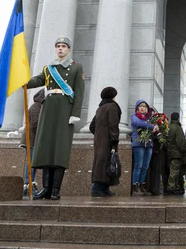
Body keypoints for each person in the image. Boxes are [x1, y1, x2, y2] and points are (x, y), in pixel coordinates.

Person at [27, 36, 85, 200]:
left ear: (68, 49)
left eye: (63, 46)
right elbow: (37, 80)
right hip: (49, 110)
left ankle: (55, 189)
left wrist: (75, 113)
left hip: (65, 111)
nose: (60, 49)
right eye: (58, 46)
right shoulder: (48, 68)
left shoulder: (76, 68)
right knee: (46, 149)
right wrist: (22, 81)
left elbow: (79, 92)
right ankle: (46, 188)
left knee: (59, 151)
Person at [90, 86, 122, 197]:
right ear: (113, 96)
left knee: (102, 162)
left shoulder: (100, 108)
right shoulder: (112, 106)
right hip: (108, 140)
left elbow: (92, 126)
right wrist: (114, 139)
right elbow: (113, 124)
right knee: (107, 163)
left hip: (100, 140)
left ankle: (104, 188)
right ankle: (97, 188)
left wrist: (99, 135)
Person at [20, 88, 44, 196]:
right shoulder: (36, 107)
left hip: (33, 139)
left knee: (32, 162)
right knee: (32, 163)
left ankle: (28, 184)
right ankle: (28, 184)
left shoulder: (38, 107)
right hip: (31, 139)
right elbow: (36, 123)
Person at [130, 99, 158, 195]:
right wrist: (151, 126)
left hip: (149, 144)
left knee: (145, 166)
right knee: (139, 165)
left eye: (144, 107)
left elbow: (154, 130)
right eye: (140, 106)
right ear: (137, 108)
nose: (142, 108)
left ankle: (142, 185)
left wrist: (156, 130)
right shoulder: (134, 117)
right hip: (139, 144)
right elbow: (139, 123)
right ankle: (135, 186)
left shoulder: (150, 119)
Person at [165, 112, 186, 194]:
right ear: (178, 118)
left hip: (169, 153)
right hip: (176, 154)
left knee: (171, 171)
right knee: (174, 172)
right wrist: (185, 150)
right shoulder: (177, 128)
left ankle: (173, 187)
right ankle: (171, 188)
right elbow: (181, 142)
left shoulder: (168, 127)